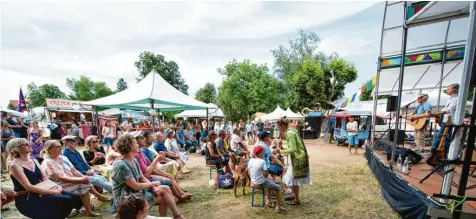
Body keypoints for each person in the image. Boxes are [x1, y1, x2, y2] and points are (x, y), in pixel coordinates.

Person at [111, 134, 186, 219]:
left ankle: (177, 216)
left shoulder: (133, 160)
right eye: (135, 143)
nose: (138, 145)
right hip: (126, 200)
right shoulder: (121, 165)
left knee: (165, 189)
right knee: (163, 194)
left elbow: (142, 177)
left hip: (136, 194)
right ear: (129, 146)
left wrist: (154, 187)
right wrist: (154, 183)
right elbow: (135, 186)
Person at [7, 138, 83, 219]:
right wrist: (52, 191)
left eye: (28, 143)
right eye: (25, 144)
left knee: (76, 198)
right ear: (16, 148)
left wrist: (57, 187)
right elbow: (28, 187)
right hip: (27, 198)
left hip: (41, 191)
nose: (29, 144)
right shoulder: (14, 165)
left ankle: (59, 214)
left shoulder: (35, 161)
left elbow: (45, 179)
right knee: (66, 199)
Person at [40, 140, 102, 217]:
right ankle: (89, 208)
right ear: (49, 149)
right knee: (83, 184)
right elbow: (60, 178)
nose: (60, 148)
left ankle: (89, 205)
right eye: (57, 146)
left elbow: (74, 171)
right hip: (57, 185)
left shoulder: (63, 158)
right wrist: (80, 180)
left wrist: (83, 177)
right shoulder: (47, 162)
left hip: (68, 180)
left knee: (86, 181)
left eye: (60, 146)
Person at [133, 132, 192, 201]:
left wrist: (164, 173)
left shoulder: (141, 151)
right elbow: (147, 173)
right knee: (169, 179)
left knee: (169, 175)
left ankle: (181, 193)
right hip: (147, 178)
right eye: (141, 138)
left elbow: (151, 165)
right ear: (136, 141)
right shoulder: (140, 153)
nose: (144, 139)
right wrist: (158, 159)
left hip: (150, 173)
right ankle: (180, 196)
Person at [276, 119, 311, 206]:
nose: (278, 128)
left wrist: (280, 151)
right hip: (297, 158)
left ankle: (296, 199)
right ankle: (294, 196)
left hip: (298, 158)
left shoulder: (289, 133)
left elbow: (293, 149)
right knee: (292, 179)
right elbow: (293, 147)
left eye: (278, 126)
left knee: (290, 179)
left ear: (282, 125)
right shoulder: (291, 131)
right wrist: (284, 150)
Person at [248, 146, 286, 213]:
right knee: (278, 187)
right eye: (263, 153)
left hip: (253, 180)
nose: (264, 154)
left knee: (271, 181)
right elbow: (266, 175)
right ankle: (278, 207)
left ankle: (268, 201)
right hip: (260, 182)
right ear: (260, 154)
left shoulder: (251, 160)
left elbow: (248, 171)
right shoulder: (262, 161)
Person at [431, 83, 459, 152]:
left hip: (450, 121)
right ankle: (444, 150)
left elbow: (449, 110)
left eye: (448, 89)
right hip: (446, 120)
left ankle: (434, 149)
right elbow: (445, 109)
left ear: (454, 89)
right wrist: (437, 113)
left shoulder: (456, 99)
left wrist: (437, 113)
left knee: (440, 135)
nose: (447, 90)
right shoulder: (450, 99)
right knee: (444, 136)